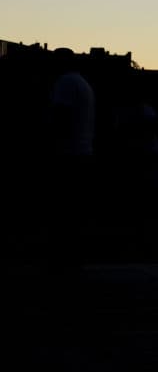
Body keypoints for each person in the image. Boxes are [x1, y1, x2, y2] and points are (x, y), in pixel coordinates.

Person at [45, 47, 96, 278]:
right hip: (82, 153)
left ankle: (62, 259)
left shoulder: (65, 83)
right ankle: (74, 258)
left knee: (62, 210)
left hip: (67, 155)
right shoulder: (83, 84)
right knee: (74, 211)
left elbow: (60, 118)